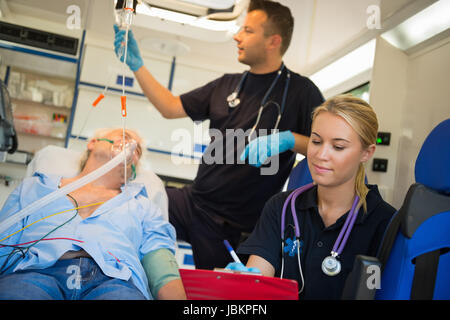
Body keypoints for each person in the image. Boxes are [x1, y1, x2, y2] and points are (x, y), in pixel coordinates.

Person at [113, 0, 324, 269]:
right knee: (129, 204)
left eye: (247, 30)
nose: (237, 36)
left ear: (273, 41)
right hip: (193, 203)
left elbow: (325, 144)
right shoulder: (227, 84)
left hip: (233, 228)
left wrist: (289, 139)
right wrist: (137, 65)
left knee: (218, 296)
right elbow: (169, 107)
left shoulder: (301, 92)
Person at [229, 94, 397, 299]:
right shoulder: (281, 208)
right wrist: (245, 284)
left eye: (338, 146)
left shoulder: (385, 223)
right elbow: (258, 279)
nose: (321, 154)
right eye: (316, 141)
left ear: (366, 153)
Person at [0, 128, 186, 300]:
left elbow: (161, 265)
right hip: (35, 273)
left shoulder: (142, 205)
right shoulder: (34, 188)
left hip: (113, 281)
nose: (131, 146)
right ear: (93, 143)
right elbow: (4, 241)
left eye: (137, 151)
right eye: (124, 136)